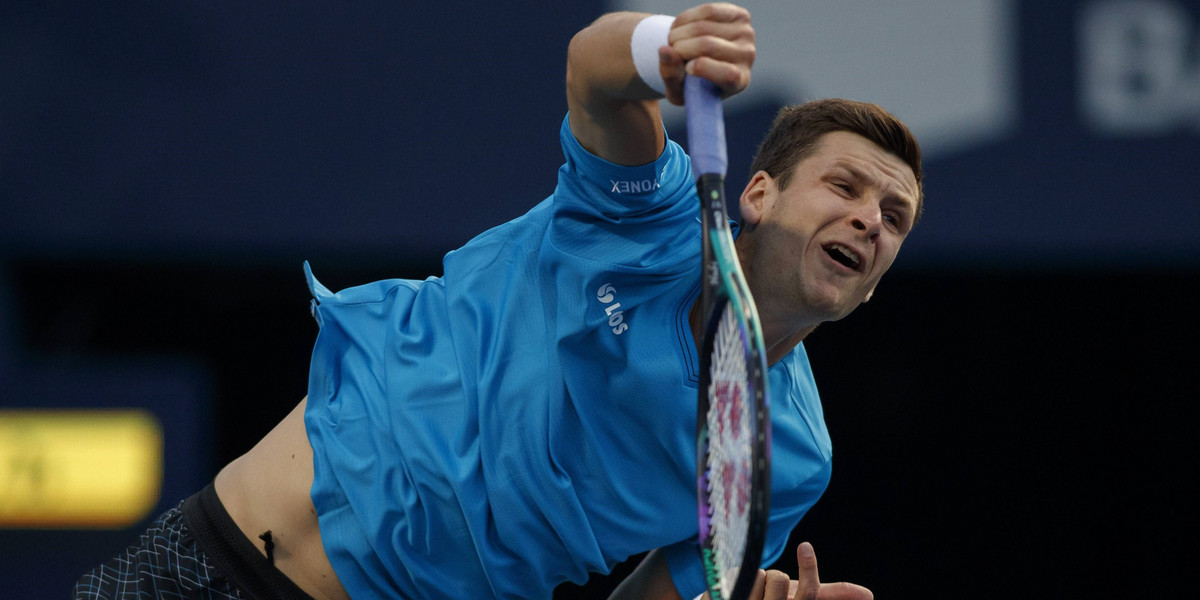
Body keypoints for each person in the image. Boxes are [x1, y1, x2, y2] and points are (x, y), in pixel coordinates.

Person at [74, 3, 921, 599]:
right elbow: (593, 72)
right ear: (759, 194)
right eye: (844, 186)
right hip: (209, 564)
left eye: (894, 218)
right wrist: (662, 43)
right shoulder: (649, 215)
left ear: (878, 281)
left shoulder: (790, 458)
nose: (868, 219)